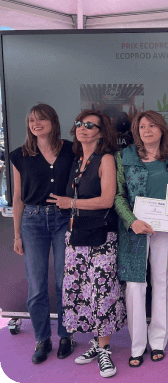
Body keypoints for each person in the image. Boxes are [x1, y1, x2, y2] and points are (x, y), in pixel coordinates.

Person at [48, 110, 125, 378]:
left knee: (102, 292)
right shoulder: (76, 159)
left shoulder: (106, 159)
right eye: (79, 123)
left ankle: (105, 350)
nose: (82, 128)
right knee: (83, 292)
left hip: (102, 237)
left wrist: (71, 203)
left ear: (101, 132)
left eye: (90, 125)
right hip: (76, 236)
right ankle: (95, 342)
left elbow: (107, 200)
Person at [9, 103, 76, 364]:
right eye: (32, 120)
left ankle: (66, 335)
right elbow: (17, 197)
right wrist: (16, 234)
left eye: (42, 119)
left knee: (63, 282)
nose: (36, 124)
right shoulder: (19, 155)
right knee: (36, 286)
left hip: (63, 220)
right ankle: (42, 339)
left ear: (53, 121)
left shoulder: (70, 149)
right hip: (32, 222)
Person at [114, 110, 168, 367]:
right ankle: (137, 344)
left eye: (153, 125)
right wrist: (132, 222)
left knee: (161, 281)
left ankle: (158, 341)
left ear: (162, 129)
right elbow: (118, 195)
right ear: (136, 131)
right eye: (142, 126)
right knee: (134, 286)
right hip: (134, 229)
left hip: (164, 227)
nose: (147, 130)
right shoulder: (124, 156)